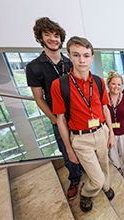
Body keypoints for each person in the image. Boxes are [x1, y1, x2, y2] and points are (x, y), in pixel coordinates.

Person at [51, 36, 115, 212]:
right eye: (76, 55)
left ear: (92, 58)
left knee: (104, 166)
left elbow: (106, 109)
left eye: (86, 55)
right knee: (96, 177)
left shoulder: (99, 81)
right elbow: (60, 120)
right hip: (80, 138)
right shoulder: (59, 85)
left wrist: (111, 133)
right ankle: (87, 193)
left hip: (101, 131)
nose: (81, 60)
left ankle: (106, 187)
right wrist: (69, 150)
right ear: (69, 56)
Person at [25, 17, 81, 200]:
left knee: (83, 146)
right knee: (67, 151)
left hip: (78, 116)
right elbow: (39, 99)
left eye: (56, 35)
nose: (53, 39)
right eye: (47, 34)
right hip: (58, 118)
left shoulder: (70, 62)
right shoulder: (34, 67)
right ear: (40, 38)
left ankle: (85, 169)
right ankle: (74, 179)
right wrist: (56, 120)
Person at [106, 71, 124, 180]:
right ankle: (117, 167)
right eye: (113, 84)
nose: (116, 87)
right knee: (113, 153)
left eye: (119, 84)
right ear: (108, 84)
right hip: (110, 133)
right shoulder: (103, 99)